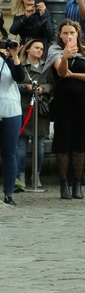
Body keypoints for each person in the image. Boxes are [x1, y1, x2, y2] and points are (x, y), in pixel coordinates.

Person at [43, 20, 85, 200]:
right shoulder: (55, 51)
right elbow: (61, 73)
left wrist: (74, 75)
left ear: (78, 34)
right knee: (63, 142)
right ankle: (63, 183)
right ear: (60, 35)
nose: (69, 35)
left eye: (72, 32)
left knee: (79, 142)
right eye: (65, 33)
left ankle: (77, 182)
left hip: (82, 100)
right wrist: (65, 57)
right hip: (63, 100)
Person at [16, 39, 54, 192]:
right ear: (28, 49)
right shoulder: (20, 65)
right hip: (23, 108)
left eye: (42, 48)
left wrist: (43, 89)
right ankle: (20, 175)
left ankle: (36, 175)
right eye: (37, 48)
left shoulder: (47, 67)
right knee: (21, 144)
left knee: (40, 145)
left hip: (40, 109)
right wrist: (27, 87)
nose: (40, 50)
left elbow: (52, 84)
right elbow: (13, 84)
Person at [0, 37, 24, 205]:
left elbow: (20, 77)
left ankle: (8, 193)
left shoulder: (8, 61)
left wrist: (15, 56)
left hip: (10, 110)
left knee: (9, 154)